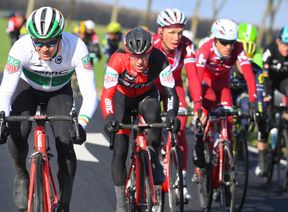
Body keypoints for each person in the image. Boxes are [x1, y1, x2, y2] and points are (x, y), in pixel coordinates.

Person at [0, 7, 99, 212]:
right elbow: (4, 92)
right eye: (38, 42)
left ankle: (65, 201)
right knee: (17, 132)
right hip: (28, 89)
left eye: (50, 42)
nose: (44, 48)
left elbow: (90, 93)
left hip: (59, 92)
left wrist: (82, 124)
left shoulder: (77, 47)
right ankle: (22, 175)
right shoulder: (20, 47)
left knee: (66, 141)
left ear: (60, 37)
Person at [100, 27, 180, 212]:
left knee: (153, 115)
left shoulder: (160, 59)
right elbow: (107, 95)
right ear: (127, 53)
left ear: (150, 52)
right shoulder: (116, 60)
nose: (140, 61)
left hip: (146, 97)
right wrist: (109, 117)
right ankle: (121, 203)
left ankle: (153, 156)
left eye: (144, 56)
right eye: (135, 56)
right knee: (120, 150)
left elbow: (170, 93)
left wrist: (171, 114)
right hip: (122, 99)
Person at [195, 18, 257, 185]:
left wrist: (252, 101)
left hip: (223, 86)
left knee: (228, 124)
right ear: (215, 39)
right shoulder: (205, 49)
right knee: (207, 110)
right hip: (205, 84)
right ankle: (200, 143)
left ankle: (225, 165)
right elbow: (197, 78)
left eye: (232, 42)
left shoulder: (238, 48)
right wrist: (197, 104)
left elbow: (249, 76)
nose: (229, 46)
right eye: (224, 42)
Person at [154, 8, 204, 201]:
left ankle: (180, 181)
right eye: (172, 32)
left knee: (180, 129)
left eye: (180, 32)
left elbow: (192, 76)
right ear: (161, 31)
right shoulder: (153, 44)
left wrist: (198, 104)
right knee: (151, 129)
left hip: (175, 88)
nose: (177, 37)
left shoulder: (187, 45)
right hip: (152, 88)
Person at [229, 23, 268, 177]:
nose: (243, 65)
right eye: (240, 61)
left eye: (248, 61)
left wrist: (258, 110)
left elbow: (258, 92)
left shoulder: (255, 68)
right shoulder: (228, 64)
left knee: (247, 106)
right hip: (227, 93)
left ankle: (240, 136)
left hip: (242, 93)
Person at [259, 25, 288, 176]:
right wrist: (267, 95)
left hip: (284, 82)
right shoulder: (269, 51)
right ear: (278, 41)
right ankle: (263, 158)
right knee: (264, 117)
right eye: (284, 44)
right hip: (269, 81)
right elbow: (265, 77)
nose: (286, 48)